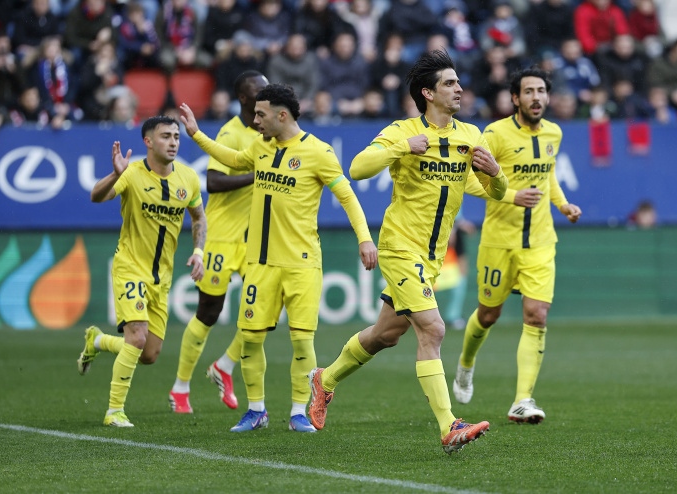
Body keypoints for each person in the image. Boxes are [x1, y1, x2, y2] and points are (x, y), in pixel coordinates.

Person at [305, 50, 509, 454]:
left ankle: (323, 381)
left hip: (432, 257)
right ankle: (449, 425)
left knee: (386, 334)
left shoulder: (471, 136)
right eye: (450, 83)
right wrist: (403, 148)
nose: (459, 88)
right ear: (427, 93)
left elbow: (496, 195)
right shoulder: (403, 131)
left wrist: (496, 173)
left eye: (458, 82)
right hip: (400, 248)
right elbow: (360, 167)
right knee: (433, 329)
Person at [179, 83, 378, 433]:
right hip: (259, 262)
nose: (255, 121)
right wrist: (196, 134)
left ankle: (299, 411)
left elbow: (347, 196)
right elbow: (232, 159)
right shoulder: (260, 146)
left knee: (302, 341)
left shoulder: (319, 152)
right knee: (251, 337)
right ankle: (256, 411)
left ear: (281, 115)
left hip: (302, 265)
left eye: (260, 114)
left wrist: (364, 239)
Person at [454, 67, 582, 425]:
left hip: (541, 241)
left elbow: (548, 174)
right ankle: (465, 364)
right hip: (499, 241)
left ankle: (522, 400)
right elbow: (466, 180)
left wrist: (563, 204)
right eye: (529, 91)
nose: (537, 97)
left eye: (541, 91)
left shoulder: (554, 132)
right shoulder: (494, 134)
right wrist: (511, 196)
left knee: (537, 315)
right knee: (488, 315)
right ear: (515, 98)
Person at [76, 115, 206, 427]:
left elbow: (199, 217)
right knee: (136, 338)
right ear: (148, 142)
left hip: (162, 277)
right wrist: (114, 175)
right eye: (165, 136)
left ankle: (96, 341)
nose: (173, 141)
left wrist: (199, 251)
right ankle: (114, 411)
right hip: (130, 268)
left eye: (176, 136)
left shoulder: (188, 178)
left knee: (148, 353)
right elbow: (96, 195)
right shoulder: (132, 173)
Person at [169, 71, 267, 414]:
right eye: (260, 93)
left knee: (265, 311)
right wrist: (258, 175)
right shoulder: (230, 132)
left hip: (253, 239)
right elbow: (213, 181)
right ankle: (180, 387)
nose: (266, 97)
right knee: (209, 312)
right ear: (244, 99)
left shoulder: (268, 132)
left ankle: (224, 365)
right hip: (222, 238)